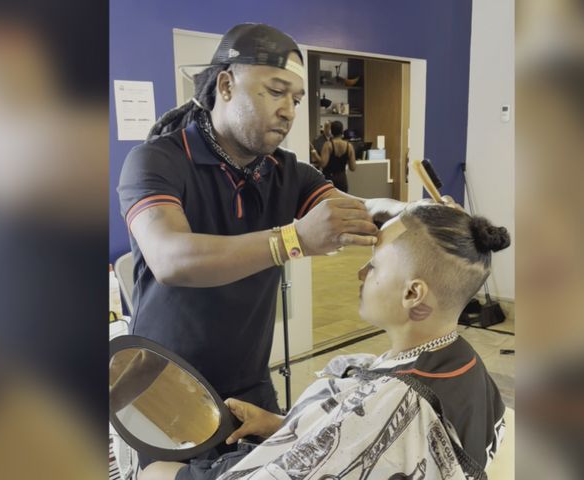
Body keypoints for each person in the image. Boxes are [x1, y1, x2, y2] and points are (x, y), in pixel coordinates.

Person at [117, 22, 406, 466]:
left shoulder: (287, 172)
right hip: (163, 384)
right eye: (275, 92)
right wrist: (293, 239)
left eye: (296, 99)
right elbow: (170, 259)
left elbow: (355, 211)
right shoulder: (157, 161)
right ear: (226, 85)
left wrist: (409, 213)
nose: (288, 111)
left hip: (249, 382)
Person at [141, 202, 510, 480]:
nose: (361, 273)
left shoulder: (397, 400)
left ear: (413, 294)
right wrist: (281, 425)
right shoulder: (465, 363)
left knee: (155, 470)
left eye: (374, 265)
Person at [318, 121, 357, 192]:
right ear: (342, 131)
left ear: (331, 131)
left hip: (329, 179)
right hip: (342, 179)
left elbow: (323, 164)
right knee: (342, 199)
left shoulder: (328, 145)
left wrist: (315, 156)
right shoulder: (349, 146)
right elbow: (353, 167)